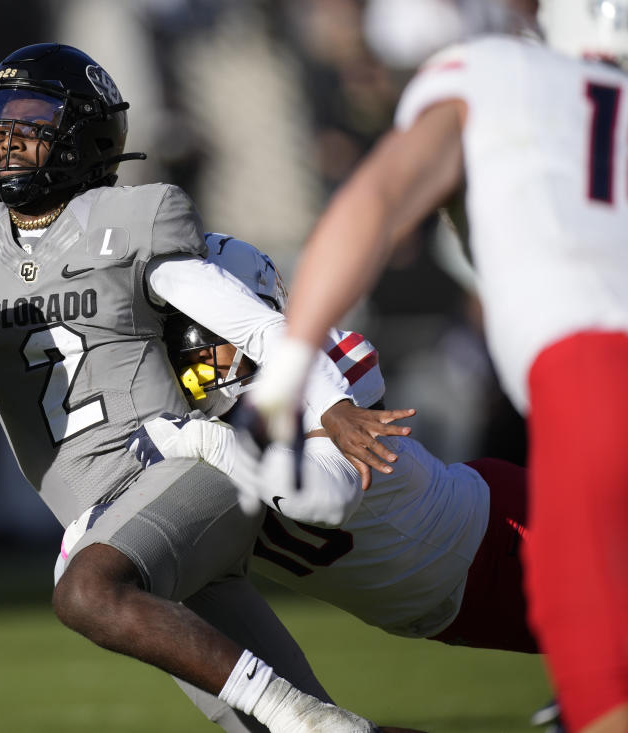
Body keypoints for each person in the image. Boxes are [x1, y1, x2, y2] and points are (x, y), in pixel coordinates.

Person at [0, 43, 422, 732]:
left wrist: (328, 399)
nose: (9, 135)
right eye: (0, 119)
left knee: (87, 594)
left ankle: (304, 716)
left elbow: (242, 321)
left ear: (83, 136)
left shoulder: (134, 219)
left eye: (32, 120)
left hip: (183, 466)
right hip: (106, 516)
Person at [246, 4, 628, 732]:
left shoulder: (496, 70)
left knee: (603, 695)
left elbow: (379, 199)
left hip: (594, 377)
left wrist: (291, 366)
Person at [52, 233, 534, 728]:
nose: (187, 352)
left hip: (501, 534)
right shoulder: (188, 427)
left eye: (199, 328)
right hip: (441, 604)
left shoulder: (315, 382)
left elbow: (329, 499)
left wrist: (208, 442)